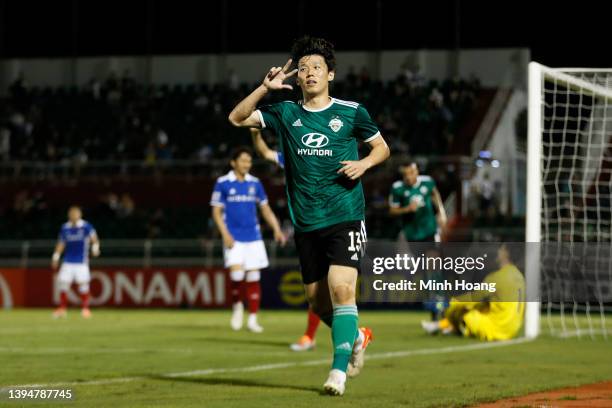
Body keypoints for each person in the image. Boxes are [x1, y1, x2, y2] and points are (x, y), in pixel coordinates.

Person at [228, 36, 390, 396]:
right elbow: (236, 118)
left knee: (342, 289)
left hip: (345, 214)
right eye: (303, 68)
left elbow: (381, 148)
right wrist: (264, 89)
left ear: (330, 74)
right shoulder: (286, 113)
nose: (309, 72)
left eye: (317, 67)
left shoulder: (352, 112)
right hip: (306, 223)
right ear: (297, 78)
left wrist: (363, 164)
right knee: (318, 303)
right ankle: (358, 336)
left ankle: (337, 372)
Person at [250, 127, 320, 352]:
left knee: (336, 289)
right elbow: (265, 153)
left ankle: (345, 337)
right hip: (307, 228)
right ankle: (316, 336)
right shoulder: (291, 157)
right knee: (318, 292)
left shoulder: (327, 154)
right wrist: (255, 134)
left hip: (334, 223)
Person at [210, 146, 286, 333]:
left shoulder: (255, 183)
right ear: (233, 163)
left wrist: (277, 229)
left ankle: (252, 318)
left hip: (253, 237)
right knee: (236, 275)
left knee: (253, 276)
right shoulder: (223, 183)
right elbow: (216, 212)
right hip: (233, 237)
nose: (246, 164)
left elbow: (265, 209)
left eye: (249, 161)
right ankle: (237, 307)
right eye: (243, 160)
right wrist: (225, 234)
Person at [421, 244, 526, 341]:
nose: (498, 251)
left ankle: (452, 327)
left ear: (505, 254)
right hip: (513, 329)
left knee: (465, 311)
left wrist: (447, 304)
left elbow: (474, 298)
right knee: (483, 306)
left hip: (497, 329)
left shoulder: (498, 277)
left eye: (501, 249)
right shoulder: (519, 276)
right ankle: (439, 326)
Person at [389, 161, 448, 320]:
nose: (408, 177)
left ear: (416, 172)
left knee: (433, 267)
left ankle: (441, 307)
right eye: (405, 174)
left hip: (429, 231)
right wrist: (407, 209)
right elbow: (392, 210)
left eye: (411, 173)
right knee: (426, 273)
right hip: (412, 236)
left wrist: (441, 212)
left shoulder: (427, 182)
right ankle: (435, 310)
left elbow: (435, 193)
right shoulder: (397, 188)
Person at [52, 206, 100, 319]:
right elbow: (61, 243)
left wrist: (95, 248)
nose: (73, 216)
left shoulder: (86, 226)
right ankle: (62, 309)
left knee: (83, 284)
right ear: (69, 215)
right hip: (68, 261)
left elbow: (94, 239)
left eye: (75, 214)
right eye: (71, 214)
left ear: (80, 215)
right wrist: (56, 256)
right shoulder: (65, 227)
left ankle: (85, 309)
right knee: (63, 284)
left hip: (81, 261)